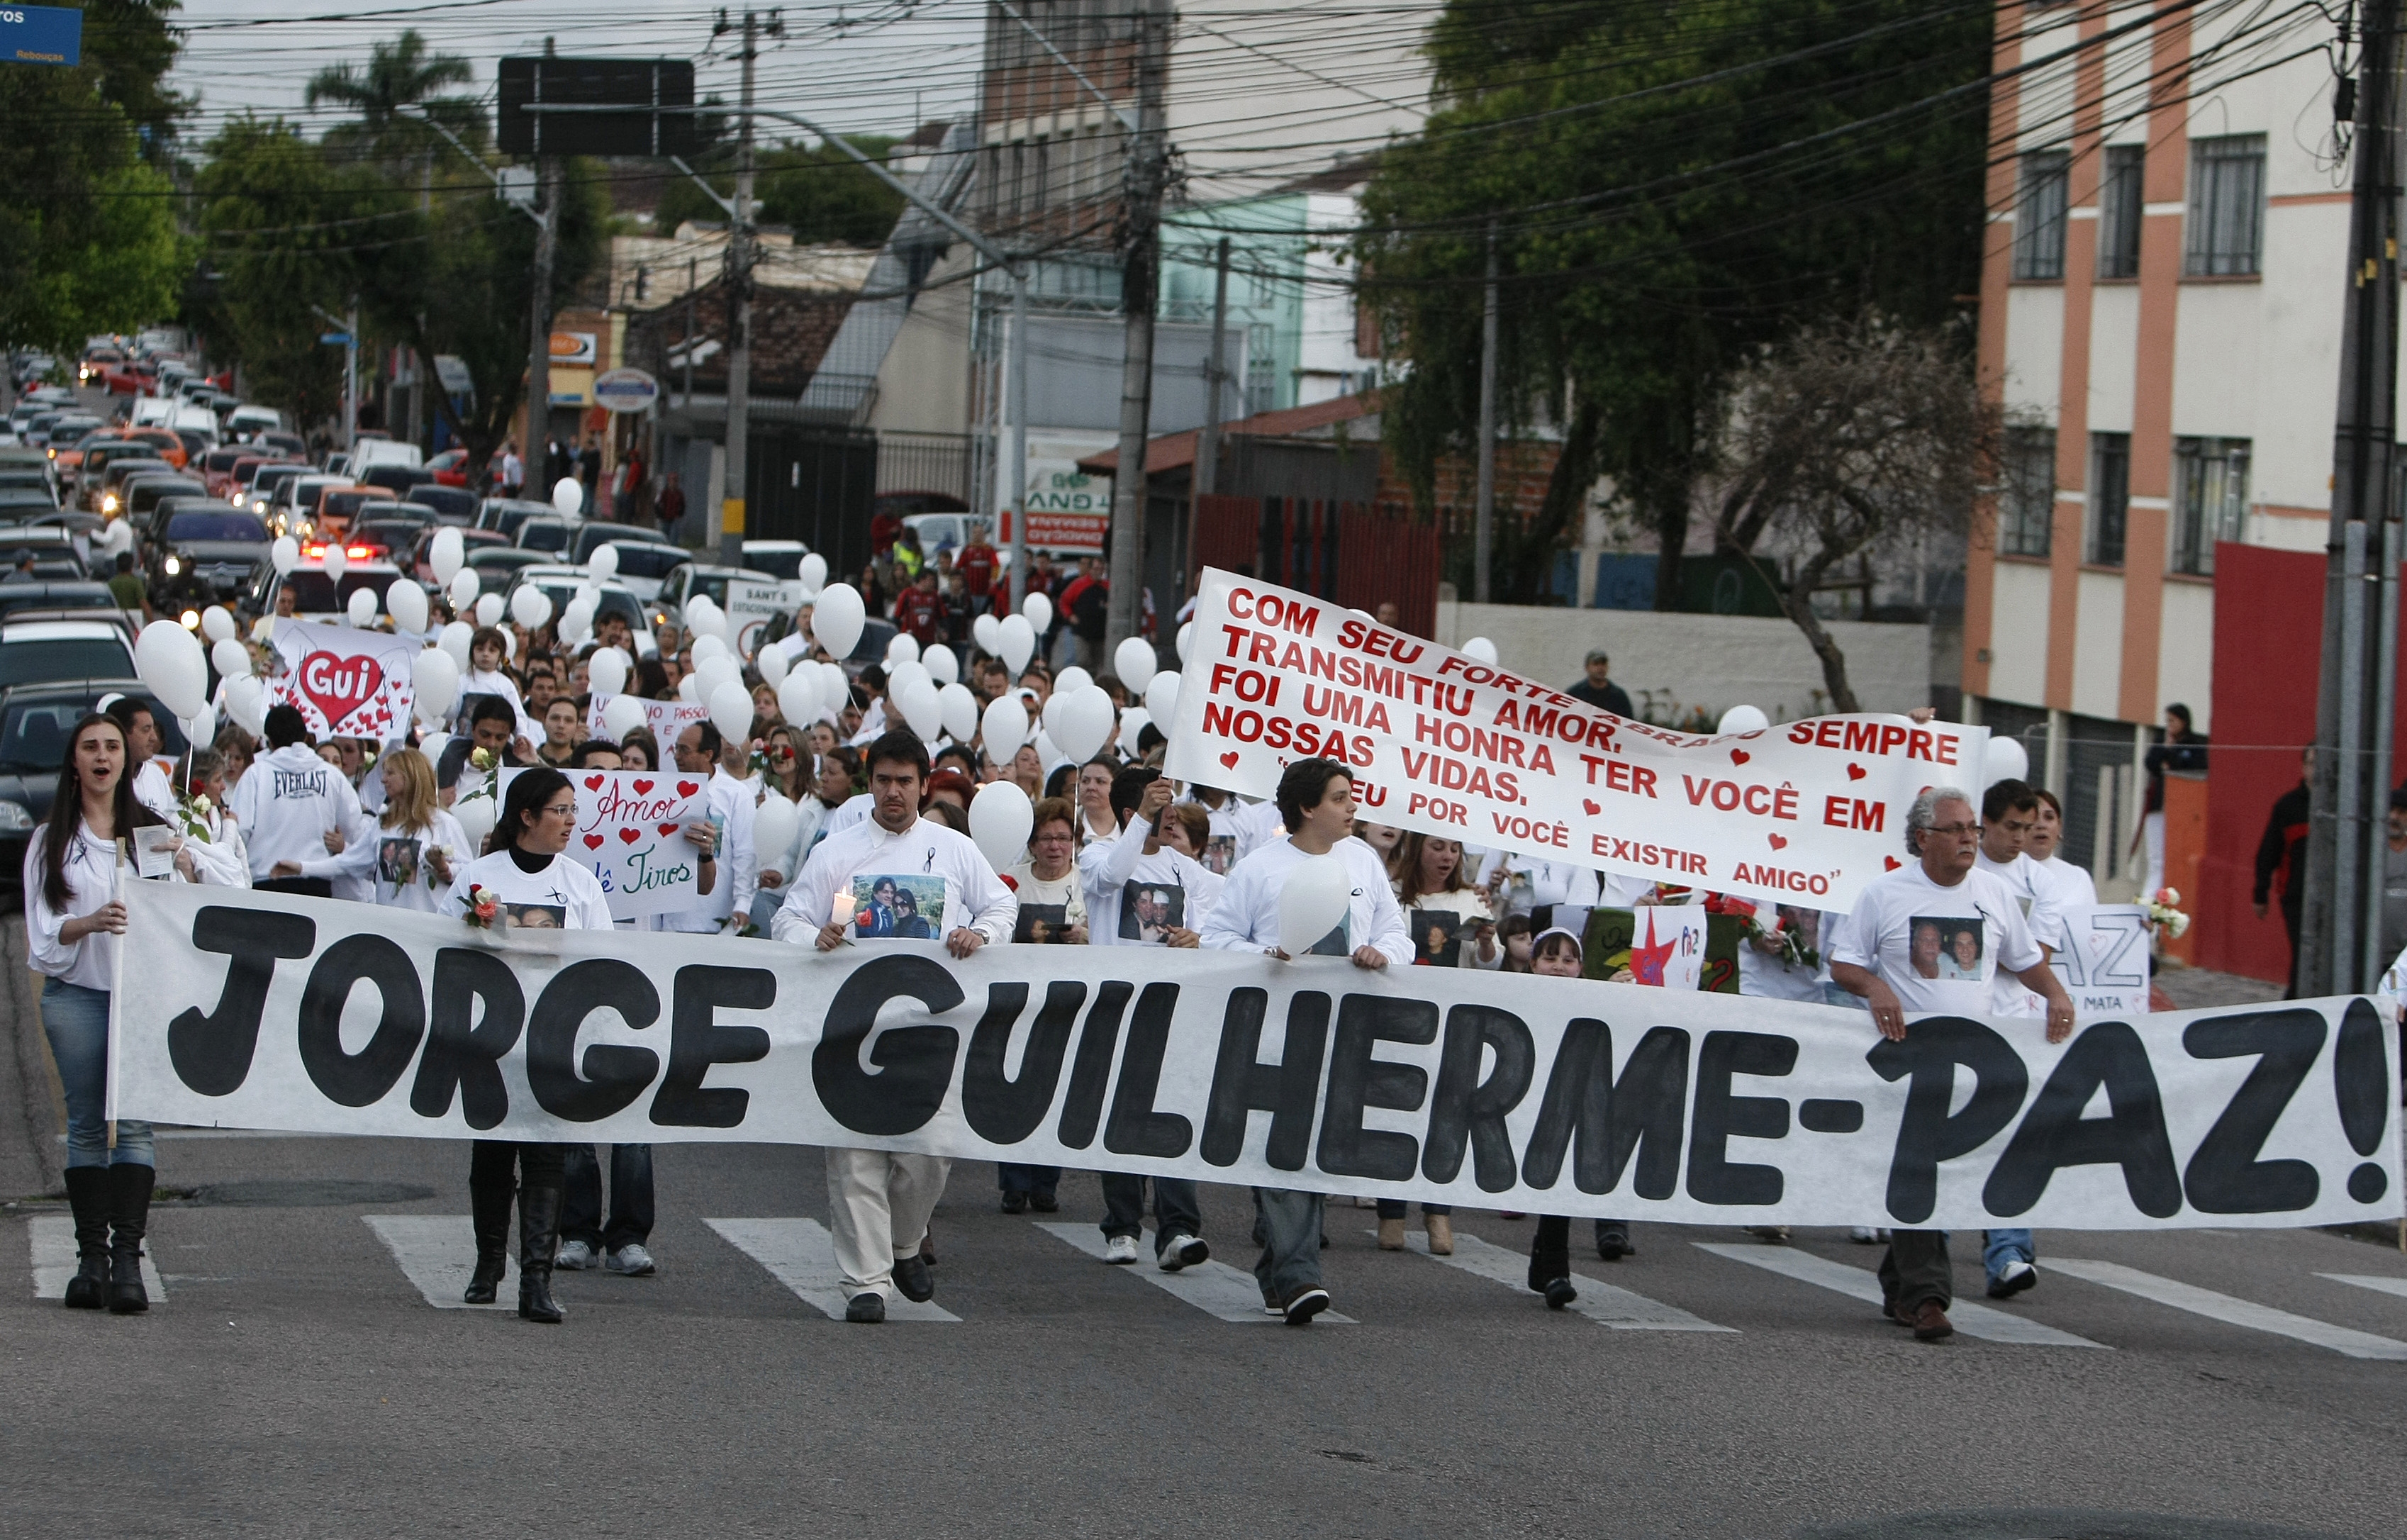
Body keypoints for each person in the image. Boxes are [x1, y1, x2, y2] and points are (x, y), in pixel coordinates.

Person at [770, 730, 1016, 1322]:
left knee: (928, 1153)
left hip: (931, 1028)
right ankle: (866, 1283)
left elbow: (1000, 906)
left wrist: (977, 934)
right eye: (883, 780)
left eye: (905, 781)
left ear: (923, 785)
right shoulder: (839, 850)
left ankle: (906, 1242)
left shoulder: (953, 848)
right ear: (869, 784)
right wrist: (816, 935)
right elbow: (788, 919)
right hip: (851, 1024)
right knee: (854, 1155)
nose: (894, 793)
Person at [1828, 786, 2075, 1343]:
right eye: (1956, 830)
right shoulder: (1885, 894)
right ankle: (1928, 1298)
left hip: (1975, 1060)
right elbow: (1843, 962)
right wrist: (1874, 988)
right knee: (1918, 1169)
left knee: (1945, 1176)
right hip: (1907, 1060)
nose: (1969, 839)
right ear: (1922, 839)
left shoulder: (1992, 893)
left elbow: (2024, 960)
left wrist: (2056, 996)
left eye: (1970, 828)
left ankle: (1900, 1287)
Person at [24, 711, 233, 1312]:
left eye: (112, 746)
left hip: (142, 998)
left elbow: (189, 919)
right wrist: (88, 924)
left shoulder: (151, 831)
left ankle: (127, 1262)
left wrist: (186, 869)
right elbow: (40, 941)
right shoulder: (51, 842)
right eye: (90, 747)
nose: (102, 756)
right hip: (79, 999)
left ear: (127, 760)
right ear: (75, 762)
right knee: (88, 1124)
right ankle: (90, 1258)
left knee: (135, 1124)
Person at [1200, 756, 1411, 1324]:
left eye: (1351, 796)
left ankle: (1277, 1267)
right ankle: (1299, 1275)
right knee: (1284, 1143)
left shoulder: (1363, 861)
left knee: (1312, 1148)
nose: (1352, 808)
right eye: (1341, 798)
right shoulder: (1260, 868)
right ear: (1306, 807)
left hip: (1345, 1031)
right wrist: (1264, 955)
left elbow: (1396, 931)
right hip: (1272, 1033)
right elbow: (1216, 939)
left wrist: (1382, 952)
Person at [440, 768, 613, 1322]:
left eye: (572, 812)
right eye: (559, 811)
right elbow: (440, 945)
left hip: (553, 1040)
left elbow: (603, 960)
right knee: (491, 1157)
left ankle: (535, 1280)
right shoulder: (478, 874)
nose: (568, 823)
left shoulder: (581, 883)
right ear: (527, 817)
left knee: (546, 1158)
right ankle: (489, 1262)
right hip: (489, 1038)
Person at [1080, 767, 1216, 1270]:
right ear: (1129, 813)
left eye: (1171, 808)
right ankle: (1121, 1226)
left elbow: (1223, 915)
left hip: (1171, 1009)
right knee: (1120, 1117)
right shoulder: (1097, 855)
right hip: (1115, 1009)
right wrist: (1139, 819)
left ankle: (1178, 1229)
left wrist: (1198, 938)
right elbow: (1112, 877)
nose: (1170, 817)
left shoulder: (1185, 869)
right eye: (1160, 808)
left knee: (1170, 1118)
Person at [1381, 831, 1500, 1254]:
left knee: (1446, 1119)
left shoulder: (1470, 900)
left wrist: (1486, 942)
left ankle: (1438, 1215)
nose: (1447, 856)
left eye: (1454, 849)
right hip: (1401, 1020)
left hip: (1454, 1024)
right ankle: (1391, 1214)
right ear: (1417, 850)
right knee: (1395, 1115)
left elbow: (1493, 964)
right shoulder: (1393, 896)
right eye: (1437, 847)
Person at [993, 796, 1085, 1210]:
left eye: (1063, 838)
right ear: (1031, 844)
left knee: (1054, 1089)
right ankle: (1013, 1182)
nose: (1054, 846)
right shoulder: (1009, 881)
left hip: (1066, 1001)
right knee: (1010, 1089)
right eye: (1045, 838)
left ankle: (1046, 1183)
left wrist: (1083, 938)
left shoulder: (1086, 884)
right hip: (1015, 999)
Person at [1524, 927, 1597, 1307]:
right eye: (1550, 958)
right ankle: (1547, 1266)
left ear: (1581, 967)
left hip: (1566, 1106)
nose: (1559, 967)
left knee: (1561, 1180)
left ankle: (1554, 1270)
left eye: (1569, 960)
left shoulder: (1595, 1001)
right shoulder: (1511, 997)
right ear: (1533, 963)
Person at [231, 705, 364, 897]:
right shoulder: (332, 775)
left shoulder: (255, 775)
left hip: (266, 883)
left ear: (269, 740)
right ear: (304, 736)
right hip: (316, 885)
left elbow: (240, 831)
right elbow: (354, 828)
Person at [350, 747, 470, 910]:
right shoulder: (384, 822)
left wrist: (446, 869)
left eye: (390, 773)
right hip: (387, 922)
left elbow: (469, 872)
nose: (383, 779)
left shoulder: (444, 823)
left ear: (410, 776)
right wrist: (305, 867)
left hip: (429, 923)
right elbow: (350, 862)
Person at [669, 719, 751, 934]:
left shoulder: (736, 794)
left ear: (707, 754)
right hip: (671, 921)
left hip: (718, 919)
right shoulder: (664, 791)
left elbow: (745, 853)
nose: (677, 756)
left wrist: (742, 902)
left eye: (684, 750)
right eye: (676, 748)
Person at [2252, 747, 2313, 998]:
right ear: (2303, 767)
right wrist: (2260, 893)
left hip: (2334, 896)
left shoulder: (2343, 804)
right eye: (2311, 763)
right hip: (2295, 895)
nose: (2316, 769)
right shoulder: (2288, 807)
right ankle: (2295, 1006)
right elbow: (2269, 851)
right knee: (2303, 954)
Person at [2135, 703, 2209, 897]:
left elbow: (2193, 768)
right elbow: (2151, 764)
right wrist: (2166, 749)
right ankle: (2149, 900)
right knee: (2156, 860)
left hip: (2183, 808)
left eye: (2173, 721)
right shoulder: (2162, 741)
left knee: (2175, 859)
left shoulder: (2194, 744)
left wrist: (2170, 761)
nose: (2169, 725)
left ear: (2183, 722)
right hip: (2158, 806)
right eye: (2167, 721)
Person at [2026, 790, 2097, 906]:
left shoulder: (2078, 878)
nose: (2041, 825)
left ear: (2059, 826)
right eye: (2033, 818)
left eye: (2049, 817)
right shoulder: (2004, 872)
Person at [1565, 648, 1633, 718]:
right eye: (1596, 664)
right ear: (1587, 667)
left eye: (1603, 664)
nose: (1600, 668)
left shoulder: (1619, 696)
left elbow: (1628, 723)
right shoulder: (1575, 694)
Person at [106, 549, 151, 621]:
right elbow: (143, 602)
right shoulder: (135, 583)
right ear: (132, 565)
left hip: (117, 618)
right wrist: (151, 621)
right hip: (135, 619)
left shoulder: (111, 583)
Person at [656, 471, 686, 540]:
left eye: (675, 481)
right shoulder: (664, 493)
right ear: (669, 482)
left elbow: (683, 505)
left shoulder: (679, 494)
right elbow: (657, 504)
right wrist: (660, 515)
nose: (673, 483)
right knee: (664, 536)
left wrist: (680, 514)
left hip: (675, 518)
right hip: (665, 518)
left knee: (674, 536)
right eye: (672, 481)